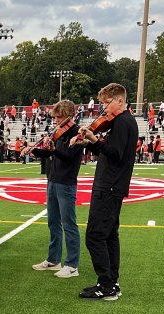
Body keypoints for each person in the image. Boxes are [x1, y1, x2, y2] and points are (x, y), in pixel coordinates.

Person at [69, 83, 137, 301]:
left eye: (106, 103)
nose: (103, 109)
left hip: (109, 185)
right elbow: (107, 150)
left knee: (95, 237)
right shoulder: (122, 121)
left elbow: (114, 153)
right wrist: (90, 141)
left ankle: (106, 285)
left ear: (119, 100)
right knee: (109, 236)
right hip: (112, 184)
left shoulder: (123, 122)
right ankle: (110, 282)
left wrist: (94, 140)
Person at [22, 100, 83, 278]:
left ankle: (72, 265)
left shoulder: (77, 132)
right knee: (53, 222)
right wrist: (33, 151)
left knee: (68, 223)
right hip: (53, 179)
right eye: (55, 117)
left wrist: (54, 149)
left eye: (59, 117)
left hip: (66, 182)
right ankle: (53, 260)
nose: (56, 120)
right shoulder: (59, 131)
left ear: (68, 116)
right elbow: (51, 153)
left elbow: (69, 157)